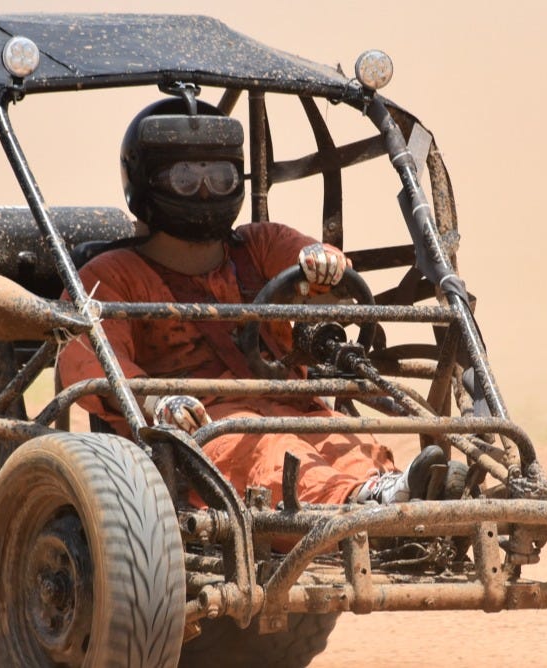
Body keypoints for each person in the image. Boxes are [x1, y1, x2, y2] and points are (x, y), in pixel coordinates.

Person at [56, 96, 445, 506]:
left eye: (220, 177)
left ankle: (389, 491)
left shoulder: (258, 245)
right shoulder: (109, 275)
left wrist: (324, 265)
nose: (204, 192)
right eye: (186, 178)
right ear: (147, 179)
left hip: (290, 405)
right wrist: (156, 402)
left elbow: (318, 262)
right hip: (202, 425)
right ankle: (356, 503)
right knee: (262, 448)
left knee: (339, 434)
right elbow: (89, 361)